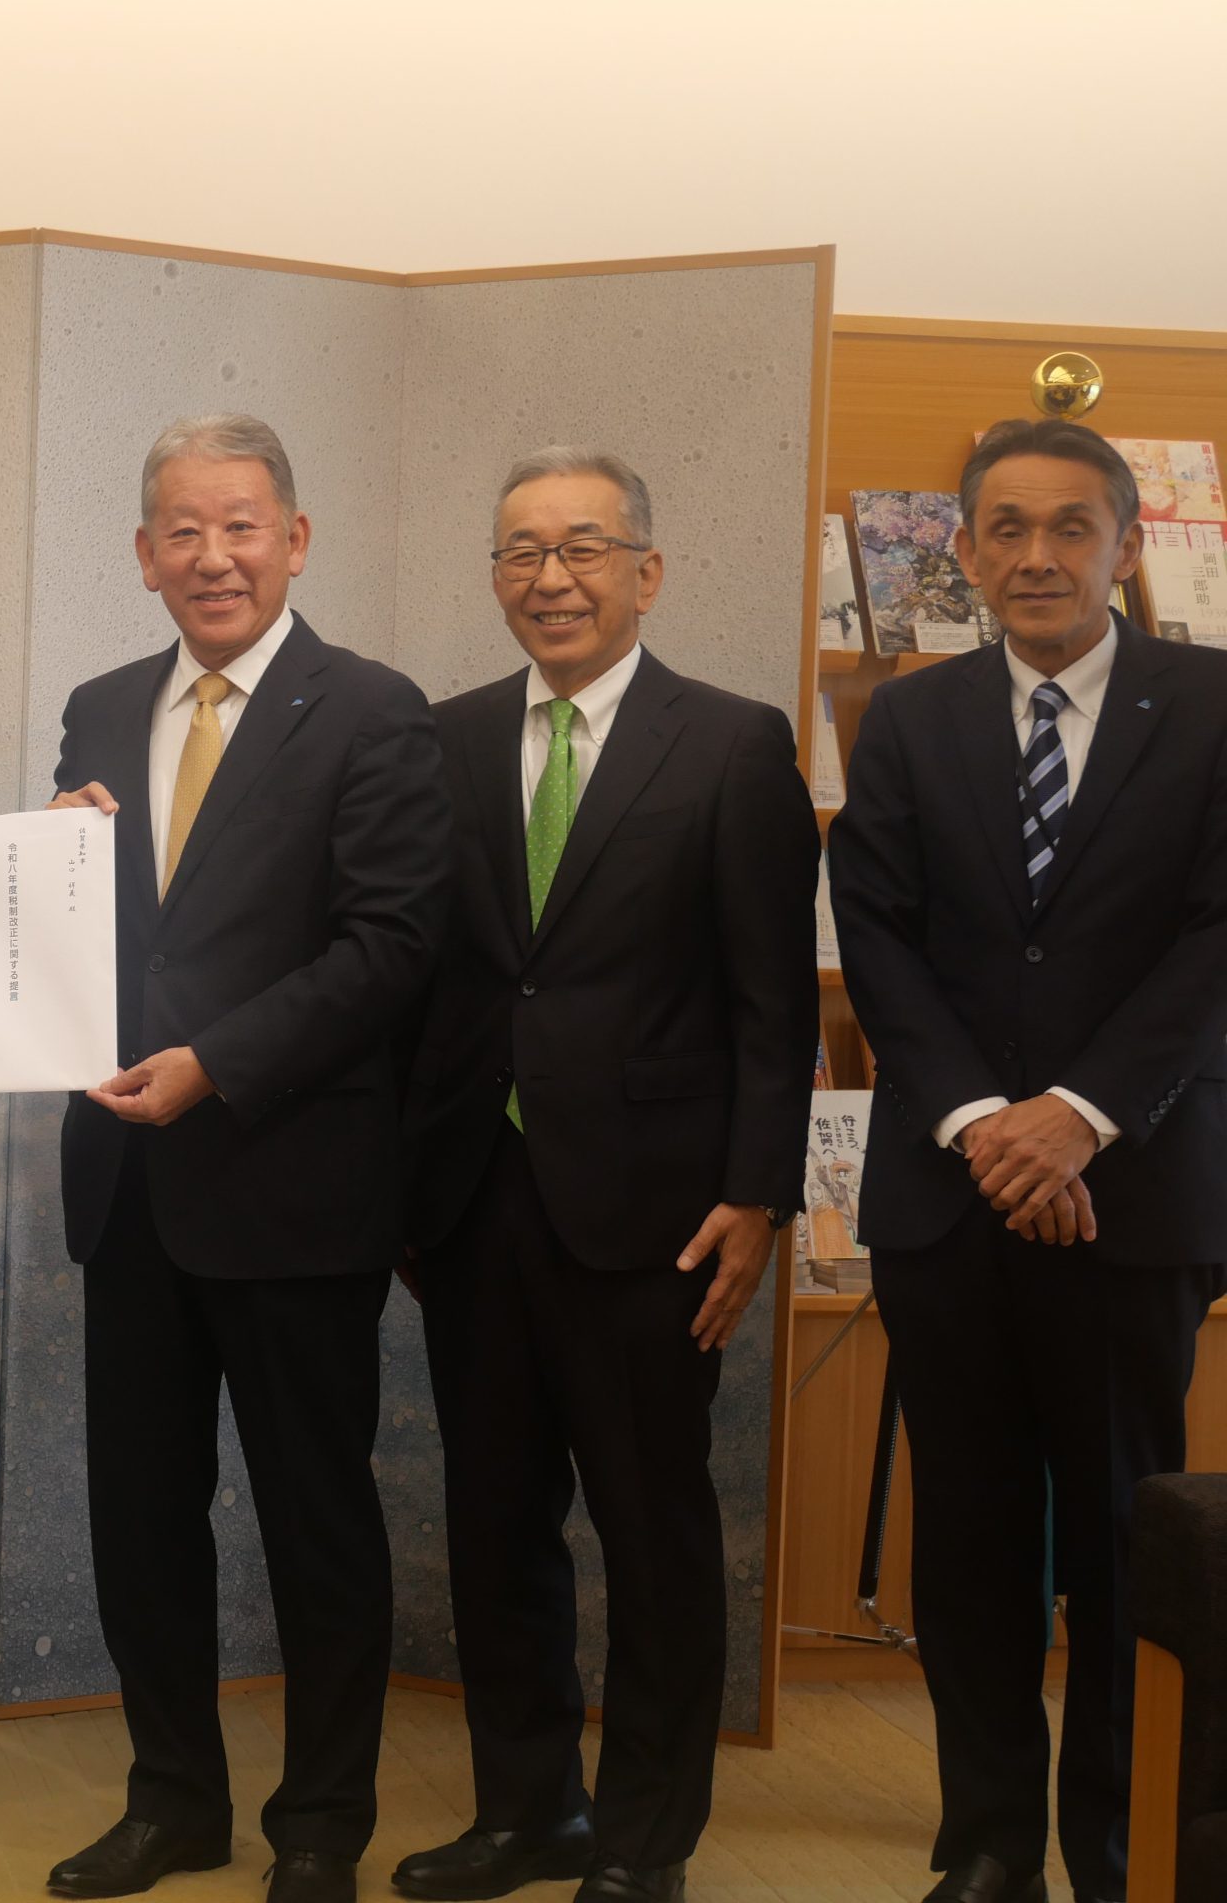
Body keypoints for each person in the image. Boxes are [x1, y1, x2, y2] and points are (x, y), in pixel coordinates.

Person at [394, 448, 819, 1903]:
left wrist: (760, 1194)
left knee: (653, 1536)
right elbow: (425, 977)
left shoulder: (734, 744)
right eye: (521, 552)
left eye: (583, 548)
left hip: (659, 1214)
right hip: (471, 1203)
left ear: (648, 571)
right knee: (494, 1528)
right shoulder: (445, 740)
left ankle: (645, 1841)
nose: (551, 578)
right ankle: (529, 1813)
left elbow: (775, 1001)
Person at [42, 414, 452, 1903]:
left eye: (241, 527)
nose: (213, 557)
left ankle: (321, 1824)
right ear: (144, 553)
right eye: (183, 531)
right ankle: (173, 1802)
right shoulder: (100, 708)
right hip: (128, 1188)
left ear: (295, 539)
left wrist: (218, 1064)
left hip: (295, 1186)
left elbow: (392, 945)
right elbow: (80, 929)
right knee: (141, 1520)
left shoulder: (374, 710)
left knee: (314, 1522)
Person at [828, 418, 1227, 1903]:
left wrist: (1081, 1114)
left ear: (1125, 544)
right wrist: (981, 1124)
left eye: (1071, 526)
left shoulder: (1214, 705)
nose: (1038, 554)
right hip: (953, 1194)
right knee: (972, 1538)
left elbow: (1217, 937)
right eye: (1007, 527)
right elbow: (877, 931)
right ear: (966, 550)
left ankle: (1117, 1851)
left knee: (1128, 1539)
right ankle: (989, 1844)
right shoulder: (908, 717)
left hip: (1139, 1185)